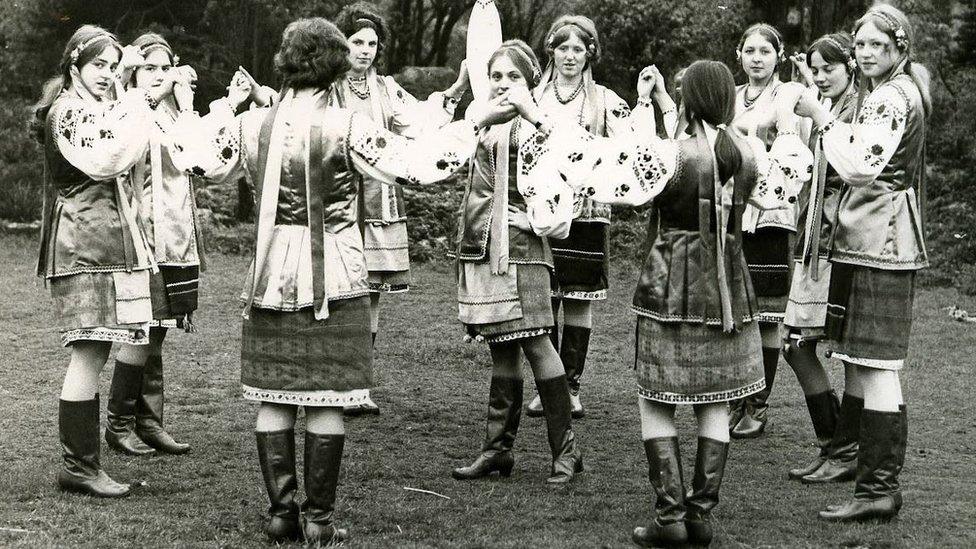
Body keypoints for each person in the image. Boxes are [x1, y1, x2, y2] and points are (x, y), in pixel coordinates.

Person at [179, 17, 512, 542]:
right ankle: (319, 522)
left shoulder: (252, 125)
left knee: (275, 395)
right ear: (335, 66)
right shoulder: (348, 124)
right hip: (334, 270)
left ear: (287, 64)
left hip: (269, 272)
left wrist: (215, 105)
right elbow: (418, 165)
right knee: (328, 397)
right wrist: (475, 121)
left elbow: (194, 159)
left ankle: (282, 513)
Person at [577, 60, 810, 547]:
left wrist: (642, 108)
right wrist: (786, 129)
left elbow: (615, 185)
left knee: (655, 397)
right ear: (727, 98)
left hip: (672, 282)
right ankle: (700, 516)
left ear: (686, 99)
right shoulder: (747, 153)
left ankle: (670, 517)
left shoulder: (670, 155)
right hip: (729, 281)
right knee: (717, 399)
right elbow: (786, 184)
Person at [794, 3, 930, 522]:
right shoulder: (890, 92)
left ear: (898, 46)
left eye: (877, 44)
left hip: (882, 241)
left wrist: (822, 117)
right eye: (862, 45)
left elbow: (856, 167)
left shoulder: (891, 98)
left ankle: (878, 488)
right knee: (868, 363)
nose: (867, 53)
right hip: (875, 237)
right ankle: (871, 480)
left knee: (877, 367)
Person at [30, 25, 173, 497]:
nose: (107, 75)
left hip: (105, 240)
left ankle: (84, 463)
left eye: (113, 68)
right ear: (74, 65)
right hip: (82, 241)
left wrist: (131, 99)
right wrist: (136, 100)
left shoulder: (95, 108)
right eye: (98, 66)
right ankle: (79, 466)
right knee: (89, 351)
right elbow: (110, 157)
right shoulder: (68, 113)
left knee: (100, 348)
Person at [451, 39, 591, 485]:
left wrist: (538, 220)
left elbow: (576, 166)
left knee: (536, 343)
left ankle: (566, 453)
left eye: (514, 76)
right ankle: (497, 452)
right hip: (482, 247)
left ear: (531, 80)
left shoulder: (542, 123)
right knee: (502, 346)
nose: (504, 84)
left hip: (524, 251)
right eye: (496, 76)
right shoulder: (483, 121)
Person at [330, 2, 470, 416]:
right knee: (339, 289)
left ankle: (358, 385)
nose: (365, 49)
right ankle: (333, 382)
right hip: (336, 201)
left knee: (371, 292)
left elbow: (421, 123)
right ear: (341, 43)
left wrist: (458, 87)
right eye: (357, 41)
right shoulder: (327, 86)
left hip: (378, 201)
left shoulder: (386, 88)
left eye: (372, 43)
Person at [524, 15, 638, 419]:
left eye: (578, 49)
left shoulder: (604, 99)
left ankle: (571, 386)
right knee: (544, 296)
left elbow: (628, 146)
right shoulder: (534, 97)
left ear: (590, 53)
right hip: (541, 211)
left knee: (577, 297)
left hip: (587, 213)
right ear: (550, 51)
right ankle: (547, 386)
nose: (570, 56)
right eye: (562, 48)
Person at [104, 32, 201, 458]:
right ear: (133, 71)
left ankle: (149, 422)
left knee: (158, 328)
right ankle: (119, 424)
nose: (158, 76)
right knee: (142, 328)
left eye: (165, 68)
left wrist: (188, 104)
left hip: (175, 230)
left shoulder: (173, 111)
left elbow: (197, 156)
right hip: (139, 230)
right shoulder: (123, 107)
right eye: (149, 68)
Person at [782, 33, 861, 484]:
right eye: (816, 68)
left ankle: (844, 450)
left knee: (839, 348)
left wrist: (817, 110)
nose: (822, 75)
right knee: (796, 344)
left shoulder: (853, 110)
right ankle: (833, 444)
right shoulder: (825, 107)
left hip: (842, 242)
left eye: (829, 66)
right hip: (813, 238)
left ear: (849, 66)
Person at [727, 23, 808, 438]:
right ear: (739, 54)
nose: (757, 58)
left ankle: (758, 405)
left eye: (766, 51)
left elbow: (799, 154)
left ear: (778, 56)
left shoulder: (789, 97)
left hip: (774, 215)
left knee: (768, 314)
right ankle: (738, 397)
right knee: (738, 309)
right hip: (736, 214)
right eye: (750, 50)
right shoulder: (732, 97)